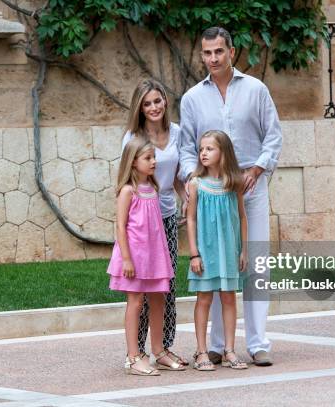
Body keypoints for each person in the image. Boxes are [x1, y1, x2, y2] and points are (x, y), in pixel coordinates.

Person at [179, 27, 283, 366]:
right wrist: (191, 182)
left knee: (255, 263)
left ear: (232, 52)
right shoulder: (193, 98)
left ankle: (258, 343)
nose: (212, 59)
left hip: (250, 189)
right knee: (214, 264)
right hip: (210, 195)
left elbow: (273, 136)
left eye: (218, 52)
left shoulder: (256, 90)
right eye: (207, 53)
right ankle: (217, 345)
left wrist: (256, 170)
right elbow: (185, 149)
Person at [121, 79, 188, 367]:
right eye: (147, 103)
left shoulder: (177, 132)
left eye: (157, 101)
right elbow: (128, 178)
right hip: (141, 224)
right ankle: (136, 353)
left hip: (167, 217)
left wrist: (185, 195)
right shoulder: (132, 137)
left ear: (165, 101)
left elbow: (175, 173)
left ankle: (162, 348)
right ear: (140, 107)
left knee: (165, 286)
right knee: (140, 290)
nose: (153, 107)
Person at [107, 137, 185, 375]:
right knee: (136, 302)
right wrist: (127, 259)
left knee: (158, 299)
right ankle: (133, 357)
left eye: (154, 157)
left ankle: (158, 350)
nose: (154, 162)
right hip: (135, 257)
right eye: (148, 158)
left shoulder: (152, 189)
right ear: (133, 162)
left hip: (154, 256)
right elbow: (120, 226)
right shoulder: (128, 191)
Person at [187, 130, 248, 371]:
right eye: (201, 149)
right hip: (205, 251)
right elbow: (190, 220)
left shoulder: (235, 183)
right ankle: (202, 352)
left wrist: (244, 250)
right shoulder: (196, 184)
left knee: (229, 298)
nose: (203, 153)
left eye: (209, 149)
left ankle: (229, 350)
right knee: (203, 298)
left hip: (229, 251)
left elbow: (242, 217)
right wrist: (194, 253)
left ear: (223, 152)